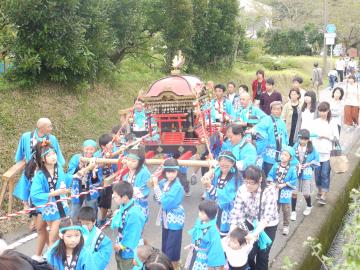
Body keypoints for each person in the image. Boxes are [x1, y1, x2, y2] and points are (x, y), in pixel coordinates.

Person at [13, 118, 65, 231]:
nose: (51, 128)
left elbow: (56, 153)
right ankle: (34, 219)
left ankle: (46, 221)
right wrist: (20, 162)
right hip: (31, 168)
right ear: (41, 128)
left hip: (47, 170)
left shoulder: (52, 138)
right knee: (32, 194)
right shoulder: (26, 136)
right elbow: (20, 153)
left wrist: (59, 169)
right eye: (49, 126)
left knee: (45, 192)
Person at [230, 165, 278, 270]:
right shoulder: (242, 189)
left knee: (263, 255)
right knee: (248, 253)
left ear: (260, 179)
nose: (248, 185)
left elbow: (266, 218)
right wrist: (232, 231)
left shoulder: (269, 191)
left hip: (268, 225)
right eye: (246, 181)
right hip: (250, 221)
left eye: (252, 183)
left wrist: (255, 234)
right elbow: (236, 212)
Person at [30, 141, 70, 261]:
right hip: (49, 208)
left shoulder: (59, 169)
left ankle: (54, 261)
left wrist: (77, 176)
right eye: (49, 155)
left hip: (61, 207)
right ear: (42, 159)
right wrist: (54, 193)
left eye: (54, 153)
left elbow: (66, 180)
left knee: (53, 238)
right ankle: (61, 258)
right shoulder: (40, 175)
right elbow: (35, 194)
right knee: (56, 237)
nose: (53, 156)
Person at [151, 158, 185, 269]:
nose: (170, 174)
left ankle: (171, 266)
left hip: (175, 218)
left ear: (177, 172)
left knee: (172, 246)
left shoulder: (177, 187)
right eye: (168, 172)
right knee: (166, 244)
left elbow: (165, 202)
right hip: (166, 218)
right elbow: (157, 198)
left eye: (173, 172)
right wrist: (155, 184)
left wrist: (156, 186)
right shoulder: (164, 182)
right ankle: (171, 265)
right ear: (164, 172)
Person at [201, 151, 242, 236]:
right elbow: (210, 195)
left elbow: (227, 198)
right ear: (218, 162)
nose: (224, 167)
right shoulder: (217, 172)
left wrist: (209, 187)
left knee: (222, 237)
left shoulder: (236, 178)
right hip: (214, 209)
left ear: (233, 163)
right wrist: (208, 182)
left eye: (227, 165)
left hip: (227, 212)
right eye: (222, 165)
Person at [111, 182, 146, 270]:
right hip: (122, 244)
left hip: (129, 249)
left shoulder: (133, 213)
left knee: (127, 266)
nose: (113, 197)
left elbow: (132, 233)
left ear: (125, 197)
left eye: (115, 196)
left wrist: (121, 245)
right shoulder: (125, 206)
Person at [310, 102, 339, 205]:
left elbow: (336, 138)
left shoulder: (332, 122)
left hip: (327, 153)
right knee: (317, 175)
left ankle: (324, 194)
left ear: (328, 111)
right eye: (320, 111)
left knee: (325, 174)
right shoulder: (315, 122)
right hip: (316, 153)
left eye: (324, 111)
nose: (322, 113)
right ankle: (319, 190)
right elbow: (310, 135)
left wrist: (325, 136)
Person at [267, 146, 298, 235]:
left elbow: (293, 180)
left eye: (285, 155)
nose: (283, 156)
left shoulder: (292, 168)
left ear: (290, 158)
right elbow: (270, 175)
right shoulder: (276, 165)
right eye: (282, 154)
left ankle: (286, 226)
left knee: (286, 210)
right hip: (275, 190)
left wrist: (284, 184)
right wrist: (272, 182)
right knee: (274, 208)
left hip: (285, 192)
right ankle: (274, 224)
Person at [186, 200, 226, 270]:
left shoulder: (213, 230)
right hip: (196, 251)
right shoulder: (200, 222)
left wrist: (210, 266)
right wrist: (193, 244)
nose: (199, 214)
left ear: (210, 215)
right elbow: (197, 237)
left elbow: (215, 248)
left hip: (204, 256)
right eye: (199, 211)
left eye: (203, 213)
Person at [253, 101, 289, 176]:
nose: (276, 111)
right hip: (269, 154)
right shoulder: (266, 120)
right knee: (267, 176)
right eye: (274, 109)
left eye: (279, 109)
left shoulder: (282, 122)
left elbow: (285, 137)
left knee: (277, 177)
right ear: (271, 110)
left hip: (281, 155)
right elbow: (258, 131)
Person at [67, 139, 100, 223]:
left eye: (91, 149)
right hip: (77, 188)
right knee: (75, 210)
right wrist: (79, 167)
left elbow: (97, 179)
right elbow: (70, 172)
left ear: (95, 150)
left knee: (92, 208)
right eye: (87, 149)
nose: (89, 151)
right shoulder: (76, 158)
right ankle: (75, 227)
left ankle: (93, 226)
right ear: (83, 148)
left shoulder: (96, 159)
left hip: (91, 188)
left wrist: (94, 171)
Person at [291, 129, 320, 221]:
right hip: (296, 171)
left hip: (306, 172)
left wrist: (308, 164)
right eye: (301, 139)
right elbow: (290, 157)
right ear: (299, 138)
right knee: (294, 192)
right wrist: (296, 164)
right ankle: (293, 211)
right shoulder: (295, 146)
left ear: (308, 139)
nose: (303, 141)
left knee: (306, 193)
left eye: (305, 139)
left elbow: (317, 160)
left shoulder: (312, 148)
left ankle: (309, 205)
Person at [122, 146, 151, 219]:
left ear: (140, 161)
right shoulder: (128, 172)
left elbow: (144, 191)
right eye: (128, 160)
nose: (130, 163)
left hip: (138, 206)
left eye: (133, 161)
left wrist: (125, 193)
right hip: (127, 203)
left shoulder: (144, 173)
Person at [96, 133, 115, 227]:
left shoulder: (113, 151)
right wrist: (105, 158)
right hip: (100, 181)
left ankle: (103, 218)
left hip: (110, 180)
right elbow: (99, 165)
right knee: (101, 200)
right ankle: (103, 217)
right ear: (103, 146)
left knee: (106, 200)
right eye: (110, 143)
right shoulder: (99, 154)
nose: (112, 145)